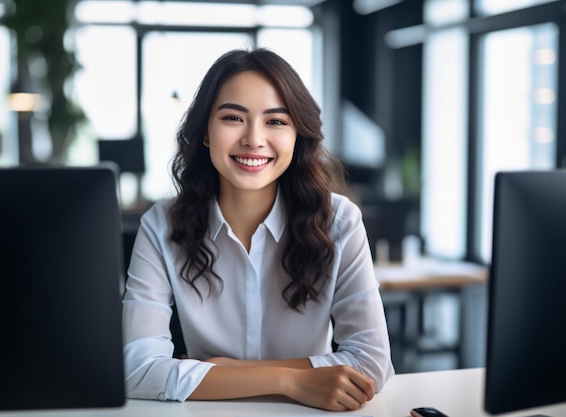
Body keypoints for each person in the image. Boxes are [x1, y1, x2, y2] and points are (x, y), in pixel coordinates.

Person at [122, 48, 395, 412]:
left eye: (276, 121)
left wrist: (227, 372)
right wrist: (290, 381)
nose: (253, 139)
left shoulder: (340, 220)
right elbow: (136, 368)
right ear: (205, 132)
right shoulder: (161, 225)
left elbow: (371, 364)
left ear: (298, 133)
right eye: (233, 118)